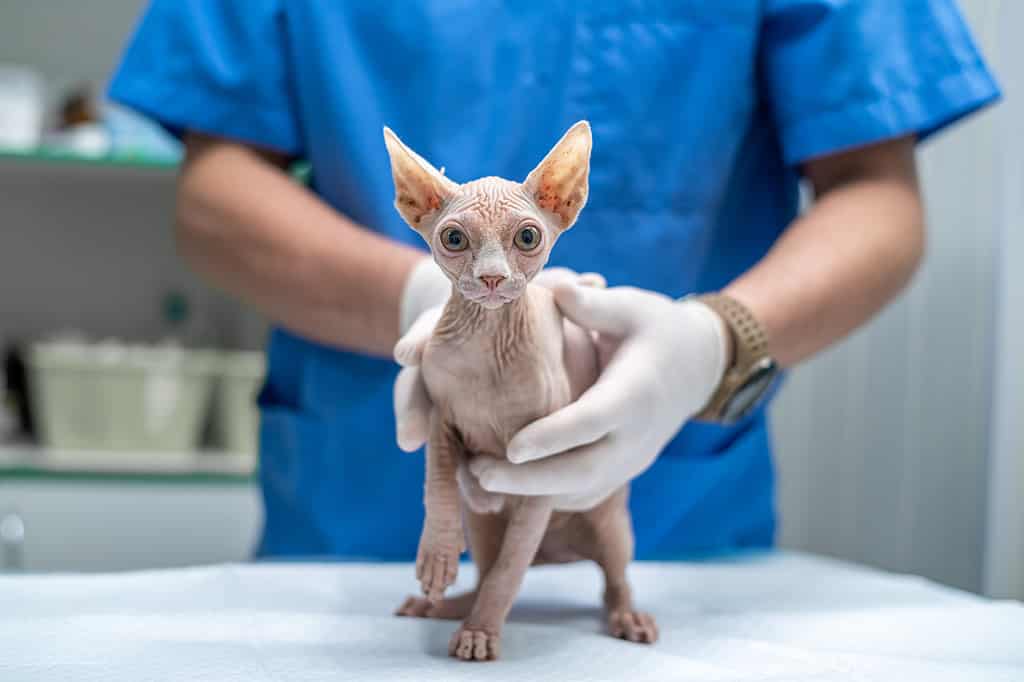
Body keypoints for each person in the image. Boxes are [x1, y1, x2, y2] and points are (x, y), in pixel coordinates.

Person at [109, 1, 998, 560]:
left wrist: (717, 343)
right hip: (354, 523)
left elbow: (877, 196)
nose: (495, 274)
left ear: (565, 201)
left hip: (679, 514)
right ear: (416, 202)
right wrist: (422, 298)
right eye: (460, 240)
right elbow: (217, 196)